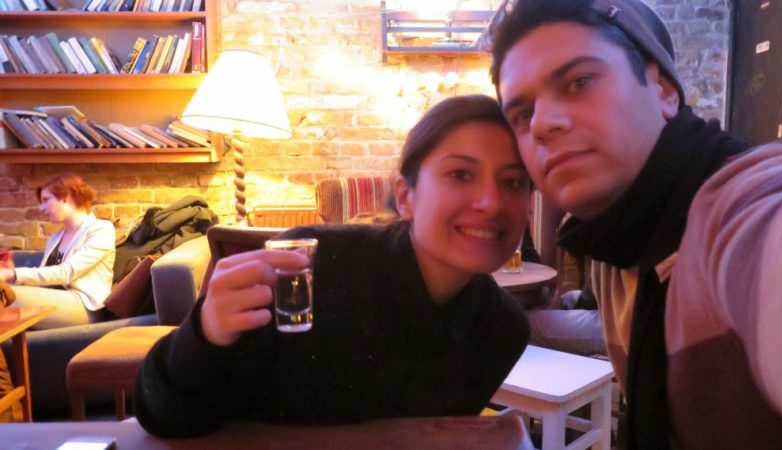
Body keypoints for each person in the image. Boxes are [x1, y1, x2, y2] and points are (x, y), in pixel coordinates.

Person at [488, 0, 782, 448]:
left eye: (579, 82)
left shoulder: (743, 206)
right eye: (522, 115)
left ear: (664, 91)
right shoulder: (615, 237)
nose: (542, 124)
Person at [135, 94, 532, 437]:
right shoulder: (306, 269)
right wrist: (204, 333)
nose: (491, 203)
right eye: (461, 174)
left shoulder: (501, 329)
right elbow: (161, 414)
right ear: (405, 197)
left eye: (514, 182)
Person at [0, 172, 115, 329]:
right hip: (58, 302)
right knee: (5, 291)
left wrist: (12, 274)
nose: (41, 208)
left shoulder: (101, 229)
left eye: (46, 200)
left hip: (85, 306)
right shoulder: (56, 237)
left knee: (4, 293)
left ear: (66, 197)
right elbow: (45, 283)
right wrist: (11, 278)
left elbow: (67, 272)